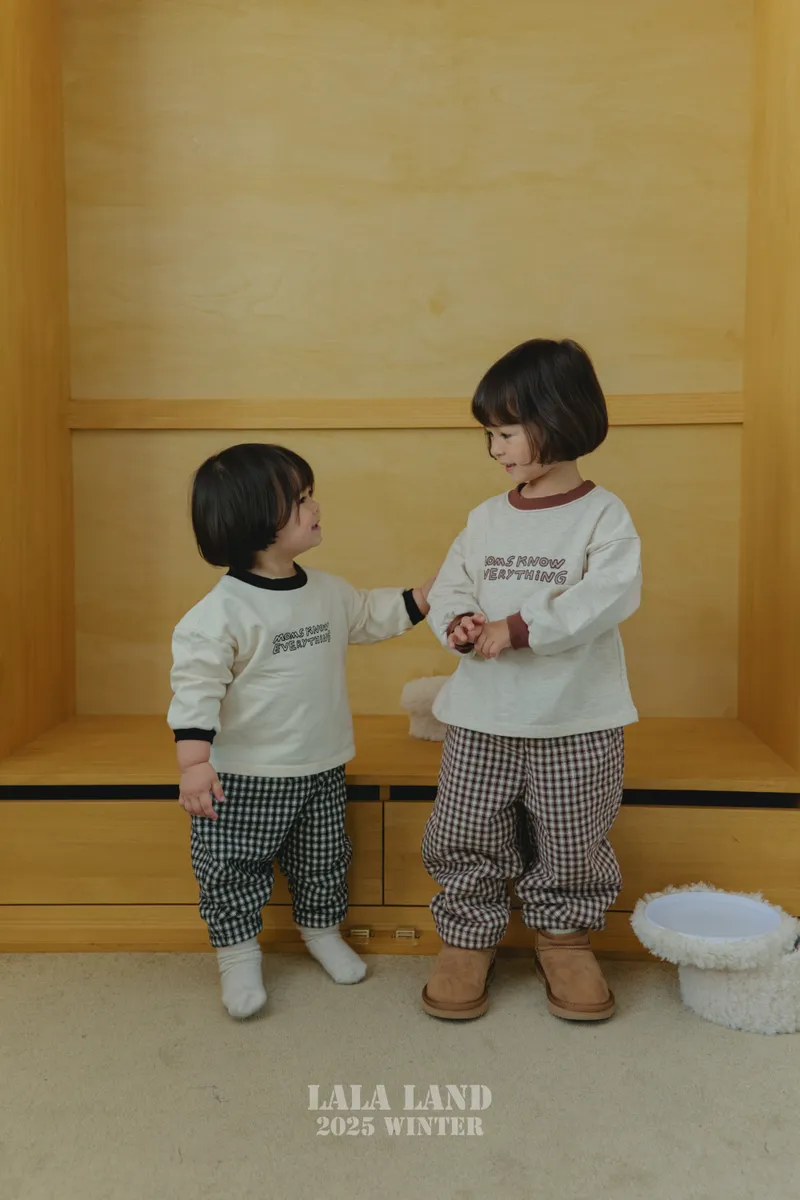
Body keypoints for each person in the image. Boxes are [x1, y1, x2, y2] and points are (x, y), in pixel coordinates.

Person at [168, 442, 434, 1019]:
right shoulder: (220, 613)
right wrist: (194, 764)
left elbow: (371, 614)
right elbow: (195, 690)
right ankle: (238, 954)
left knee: (324, 859)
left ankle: (321, 931)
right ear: (254, 520)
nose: (315, 507)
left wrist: (427, 596)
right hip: (245, 776)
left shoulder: (328, 591)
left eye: (311, 495)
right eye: (300, 500)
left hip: (322, 765)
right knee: (233, 868)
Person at [422, 338, 641, 1022]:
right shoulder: (485, 519)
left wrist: (518, 627)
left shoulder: (603, 515)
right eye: (489, 435)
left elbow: (607, 595)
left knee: (574, 836)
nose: (496, 449)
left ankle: (564, 937)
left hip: (576, 719)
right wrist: (459, 621)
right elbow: (450, 584)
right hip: (482, 715)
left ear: (560, 420)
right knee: (465, 828)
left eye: (507, 432)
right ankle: (467, 935)